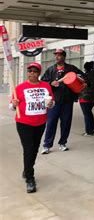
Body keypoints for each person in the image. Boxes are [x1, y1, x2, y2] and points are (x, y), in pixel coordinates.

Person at [10, 62, 55, 193]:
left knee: (35, 149)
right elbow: (11, 107)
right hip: (24, 123)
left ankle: (27, 168)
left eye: (35, 71)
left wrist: (51, 103)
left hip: (40, 122)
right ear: (27, 72)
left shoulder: (46, 86)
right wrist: (13, 104)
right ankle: (30, 178)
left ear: (39, 73)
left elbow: (51, 103)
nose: (32, 73)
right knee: (29, 149)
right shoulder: (19, 88)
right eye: (30, 71)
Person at [41, 48, 84, 154]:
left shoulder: (71, 68)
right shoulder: (51, 69)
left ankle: (62, 143)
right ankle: (47, 145)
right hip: (54, 102)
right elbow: (43, 81)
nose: (57, 56)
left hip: (67, 101)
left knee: (66, 123)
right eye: (56, 55)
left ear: (64, 56)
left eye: (59, 55)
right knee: (51, 123)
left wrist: (83, 81)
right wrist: (51, 83)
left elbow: (82, 76)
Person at [79, 61, 94, 136]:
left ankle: (89, 131)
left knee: (87, 114)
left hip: (85, 97)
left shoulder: (84, 76)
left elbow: (80, 85)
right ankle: (92, 129)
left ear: (85, 68)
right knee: (89, 112)